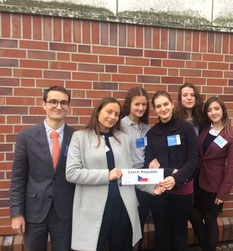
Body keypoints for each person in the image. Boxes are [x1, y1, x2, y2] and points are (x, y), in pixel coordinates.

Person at [66, 97, 162, 251]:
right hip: (94, 209)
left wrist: (151, 187)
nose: (112, 117)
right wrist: (106, 175)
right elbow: (71, 173)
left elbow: (128, 173)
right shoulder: (80, 137)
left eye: (116, 114)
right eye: (108, 112)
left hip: (122, 207)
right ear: (98, 112)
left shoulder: (123, 139)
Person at [10, 86, 75, 251]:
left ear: (68, 106)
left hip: (65, 211)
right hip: (34, 212)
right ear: (44, 104)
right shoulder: (26, 136)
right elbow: (18, 177)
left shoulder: (76, 137)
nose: (58, 106)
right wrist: (17, 213)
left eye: (63, 103)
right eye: (53, 101)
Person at [144, 91, 198, 251]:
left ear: (172, 104)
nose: (163, 108)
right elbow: (148, 162)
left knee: (179, 234)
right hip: (160, 190)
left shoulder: (186, 128)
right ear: (155, 109)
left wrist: (176, 177)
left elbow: (193, 159)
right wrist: (169, 171)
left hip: (182, 190)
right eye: (158, 106)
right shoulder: (152, 134)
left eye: (166, 104)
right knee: (162, 234)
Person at [190, 97, 233, 251]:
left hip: (214, 186)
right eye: (210, 110)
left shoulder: (231, 135)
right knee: (194, 217)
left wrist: (223, 193)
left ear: (223, 110)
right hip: (197, 182)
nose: (213, 113)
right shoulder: (205, 130)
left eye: (216, 109)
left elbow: (232, 168)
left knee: (210, 220)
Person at [120, 87, 152, 251]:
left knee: (139, 224)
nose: (141, 108)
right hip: (126, 183)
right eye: (137, 104)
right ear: (129, 105)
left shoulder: (147, 129)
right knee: (125, 226)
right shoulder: (120, 126)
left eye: (144, 105)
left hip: (144, 182)